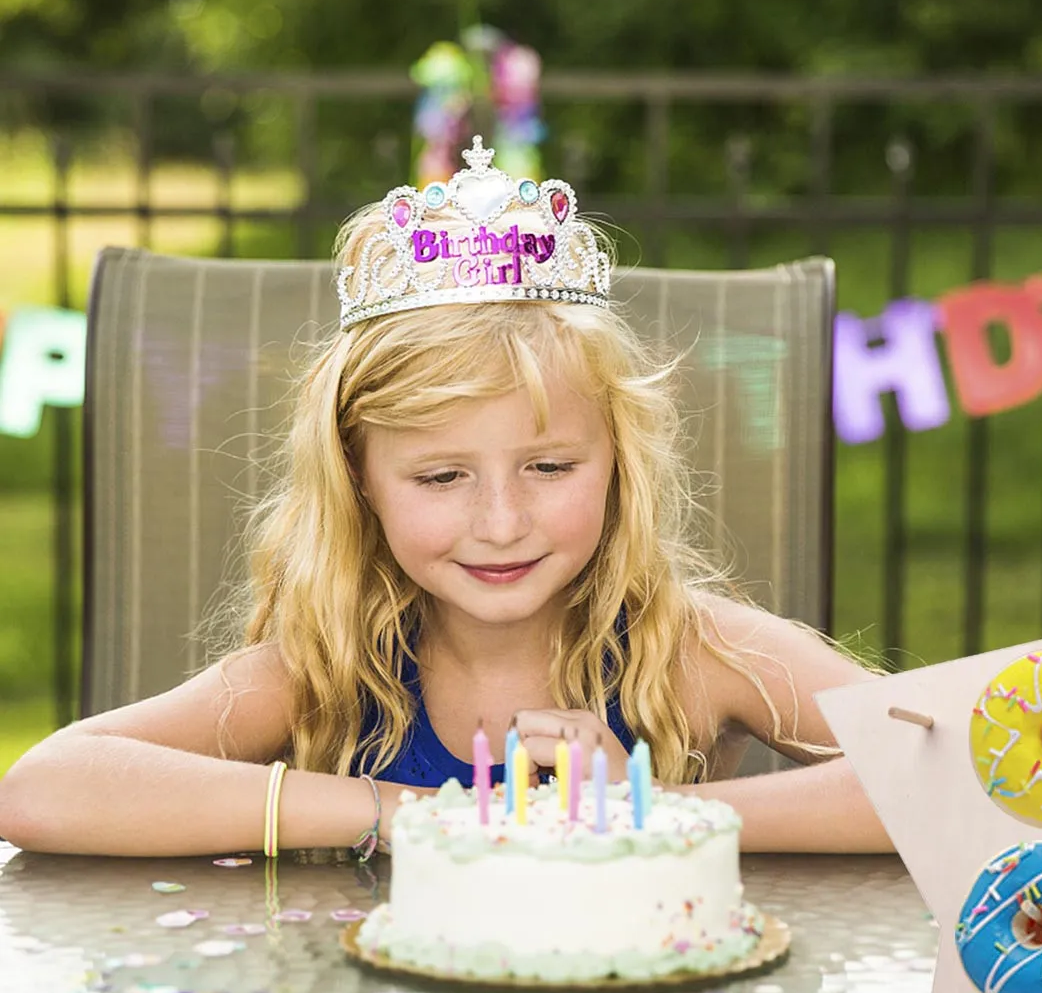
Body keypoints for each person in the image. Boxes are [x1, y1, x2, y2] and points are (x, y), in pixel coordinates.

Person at [0, 141, 891, 860]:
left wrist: (655, 817)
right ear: (358, 479)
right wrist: (403, 814)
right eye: (440, 477)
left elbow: (965, 780)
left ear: (620, 463)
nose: (501, 521)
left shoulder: (694, 650)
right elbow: (42, 789)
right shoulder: (326, 670)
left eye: (549, 469)